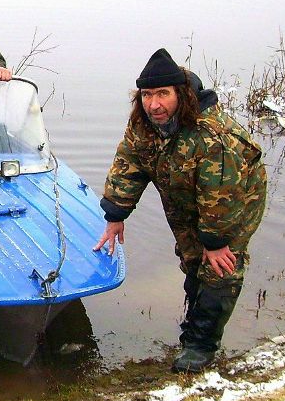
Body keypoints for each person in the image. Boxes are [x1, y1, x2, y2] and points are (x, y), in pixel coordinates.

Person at [93, 48, 267, 373]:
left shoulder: (213, 137)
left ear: (180, 94)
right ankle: (193, 322)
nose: (154, 104)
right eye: (147, 95)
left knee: (220, 266)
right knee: (192, 256)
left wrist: (216, 241)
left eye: (163, 94)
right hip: (184, 193)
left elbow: (221, 195)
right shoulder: (144, 123)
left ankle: (201, 346)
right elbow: (130, 161)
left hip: (235, 197)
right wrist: (116, 214)